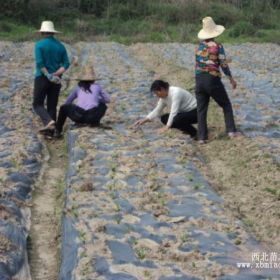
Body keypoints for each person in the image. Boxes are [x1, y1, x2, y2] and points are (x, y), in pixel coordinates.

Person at [195, 16, 240, 144]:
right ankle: (231, 131)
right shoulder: (217, 46)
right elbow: (223, 64)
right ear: (215, 33)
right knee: (226, 104)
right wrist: (231, 79)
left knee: (201, 109)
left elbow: (198, 65)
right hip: (211, 79)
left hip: (199, 80)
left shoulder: (198, 47)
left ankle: (202, 138)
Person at [33, 21, 70, 135]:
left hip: (42, 78)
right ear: (53, 33)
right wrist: (57, 74)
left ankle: (49, 121)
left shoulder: (39, 45)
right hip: (56, 79)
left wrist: (48, 74)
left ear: (42, 32)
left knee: (37, 104)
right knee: (52, 105)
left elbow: (40, 63)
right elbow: (66, 63)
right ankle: (51, 133)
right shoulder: (60, 46)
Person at [53, 66, 110, 138]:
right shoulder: (97, 87)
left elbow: (68, 102)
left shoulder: (78, 87)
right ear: (93, 79)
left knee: (63, 108)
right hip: (92, 117)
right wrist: (97, 100)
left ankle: (58, 131)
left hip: (78, 116)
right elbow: (108, 100)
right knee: (103, 105)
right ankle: (95, 123)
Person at [133, 80, 198, 138]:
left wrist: (166, 127)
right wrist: (145, 120)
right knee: (164, 118)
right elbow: (157, 110)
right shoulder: (163, 98)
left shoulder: (176, 92)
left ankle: (194, 133)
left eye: (156, 93)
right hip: (184, 113)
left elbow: (173, 112)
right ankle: (186, 129)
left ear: (162, 89)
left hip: (196, 112)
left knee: (176, 119)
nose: (156, 95)